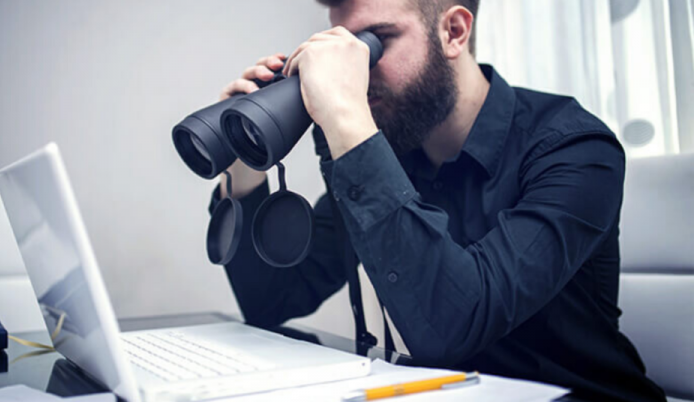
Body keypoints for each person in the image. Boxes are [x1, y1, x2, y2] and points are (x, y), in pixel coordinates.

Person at [208, 0, 665, 400]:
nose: (353, 72)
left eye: (374, 42)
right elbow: (274, 299)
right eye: (344, 49)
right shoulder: (397, 157)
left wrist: (346, 117)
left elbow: (456, 322)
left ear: (454, 32)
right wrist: (245, 171)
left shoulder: (574, 149)